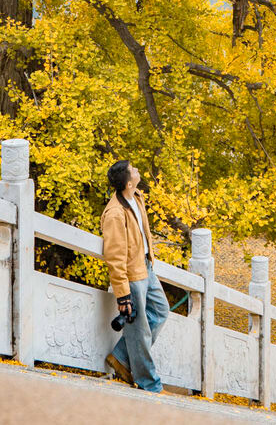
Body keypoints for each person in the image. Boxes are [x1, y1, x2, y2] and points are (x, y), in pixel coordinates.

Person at [101, 160, 169, 393]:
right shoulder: (114, 214)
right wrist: (123, 296)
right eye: (134, 170)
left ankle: (120, 356)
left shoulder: (136, 196)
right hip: (132, 275)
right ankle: (150, 384)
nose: (138, 171)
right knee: (139, 329)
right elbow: (114, 257)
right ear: (129, 182)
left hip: (146, 268)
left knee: (160, 311)